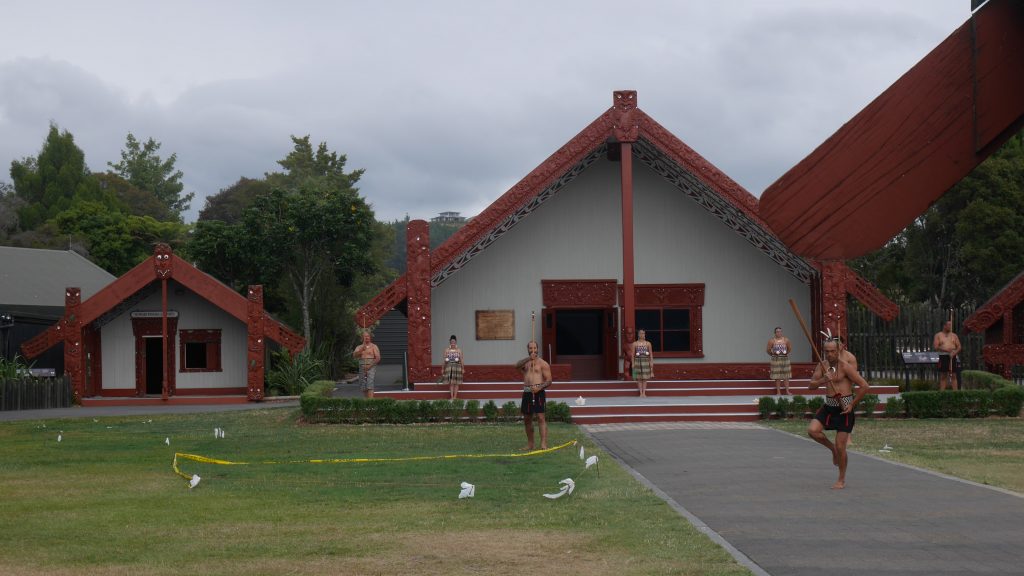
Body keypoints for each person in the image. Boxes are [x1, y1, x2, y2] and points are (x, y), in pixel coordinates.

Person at [807, 339, 871, 490]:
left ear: (838, 351)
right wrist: (823, 380)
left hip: (844, 409)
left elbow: (864, 386)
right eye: (827, 351)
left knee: (841, 446)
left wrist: (852, 404)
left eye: (832, 351)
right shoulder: (822, 365)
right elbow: (811, 386)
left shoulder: (845, 366)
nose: (829, 354)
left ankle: (841, 479)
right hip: (829, 406)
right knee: (812, 431)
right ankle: (832, 449)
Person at [516, 341, 551, 450]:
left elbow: (549, 380)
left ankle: (543, 444)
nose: (533, 350)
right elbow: (516, 366)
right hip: (527, 392)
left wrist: (539, 388)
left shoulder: (543, 363)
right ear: (528, 349)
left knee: (540, 417)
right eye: (530, 348)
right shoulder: (525, 363)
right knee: (527, 418)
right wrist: (529, 358)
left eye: (534, 348)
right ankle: (530, 444)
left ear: (537, 349)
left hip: (538, 392)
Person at [933, 320, 961, 391]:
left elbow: (959, 347)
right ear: (944, 326)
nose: (950, 326)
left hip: (953, 356)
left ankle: (955, 393)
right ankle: (942, 393)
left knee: (954, 375)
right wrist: (945, 350)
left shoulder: (954, 335)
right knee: (943, 375)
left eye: (951, 325)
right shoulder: (938, 335)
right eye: (949, 325)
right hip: (943, 356)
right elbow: (936, 347)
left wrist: (954, 353)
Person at [352, 331, 380, 398]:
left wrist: (369, 366)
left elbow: (378, 358)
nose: (367, 337)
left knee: (370, 384)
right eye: (365, 336)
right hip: (362, 367)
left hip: (371, 366)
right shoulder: (359, 347)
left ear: (370, 337)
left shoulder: (374, 346)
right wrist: (361, 350)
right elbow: (354, 355)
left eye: (368, 336)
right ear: (362, 338)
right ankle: (366, 401)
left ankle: (370, 401)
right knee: (363, 385)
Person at [766, 326, 792, 395]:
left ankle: (787, 391)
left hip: (784, 359)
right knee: (777, 377)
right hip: (776, 359)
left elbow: (789, 348)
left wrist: (785, 353)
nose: (779, 333)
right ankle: (778, 392)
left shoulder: (786, 340)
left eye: (780, 331)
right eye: (777, 332)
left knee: (786, 376)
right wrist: (773, 354)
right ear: (775, 333)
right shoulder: (771, 341)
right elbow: (768, 350)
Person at [629, 329, 654, 397]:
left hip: (646, 361)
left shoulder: (648, 343)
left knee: (645, 378)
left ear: (645, 334)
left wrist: (651, 362)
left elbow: (651, 354)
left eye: (643, 333)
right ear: (638, 334)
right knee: (639, 378)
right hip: (638, 361)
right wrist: (633, 363)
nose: (642, 335)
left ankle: (644, 392)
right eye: (640, 333)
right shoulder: (635, 344)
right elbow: (632, 355)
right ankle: (640, 393)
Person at [441, 334, 464, 400]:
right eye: (451, 342)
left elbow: (461, 360)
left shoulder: (459, 350)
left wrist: (463, 368)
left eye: (454, 342)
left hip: (457, 367)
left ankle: (455, 397)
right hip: (449, 367)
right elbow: (444, 360)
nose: (453, 343)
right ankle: (451, 396)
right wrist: (442, 368)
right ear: (450, 342)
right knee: (451, 383)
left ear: (456, 342)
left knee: (456, 383)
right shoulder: (447, 350)